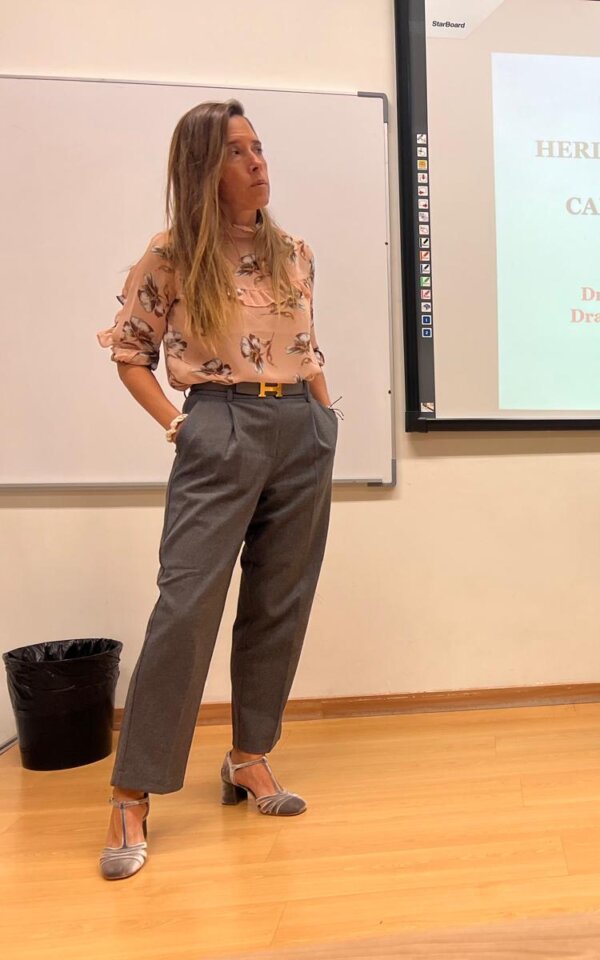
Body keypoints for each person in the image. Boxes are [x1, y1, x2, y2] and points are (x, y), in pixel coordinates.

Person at [96, 100, 338, 879]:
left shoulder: (295, 250)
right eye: (238, 152)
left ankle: (248, 756)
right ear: (205, 169)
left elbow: (307, 341)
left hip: (300, 425)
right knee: (185, 607)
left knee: (279, 601)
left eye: (260, 146)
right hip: (217, 425)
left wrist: (324, 413)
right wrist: (179, 425)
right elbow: (130, 353)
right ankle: (133, 792)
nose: (258, 162)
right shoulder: (169, 255)